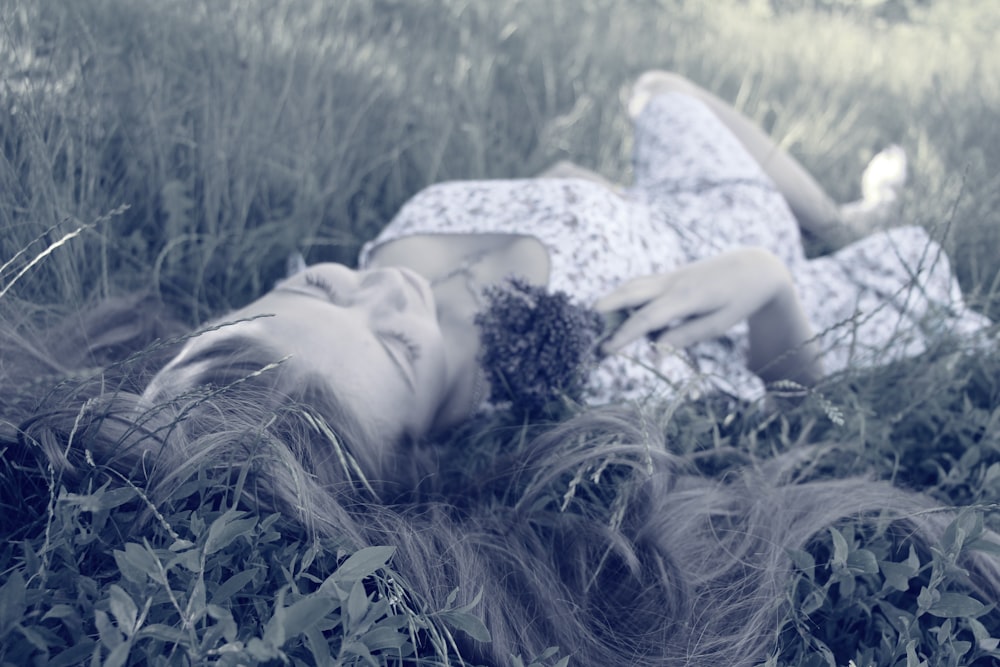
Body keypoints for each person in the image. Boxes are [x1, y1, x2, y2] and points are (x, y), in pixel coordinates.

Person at [4, 71, 998, 666]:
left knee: (656, 87)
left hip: (647, 193)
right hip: (731, 241)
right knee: (849, 222)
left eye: (312, 289)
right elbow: (799, 404)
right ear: (422, 453)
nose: (389, 292)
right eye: (398, 347)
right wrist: (771, 282)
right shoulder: (590, 378)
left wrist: (580, 193)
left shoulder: (373, 288)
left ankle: (838, 212)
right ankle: (834, 228)